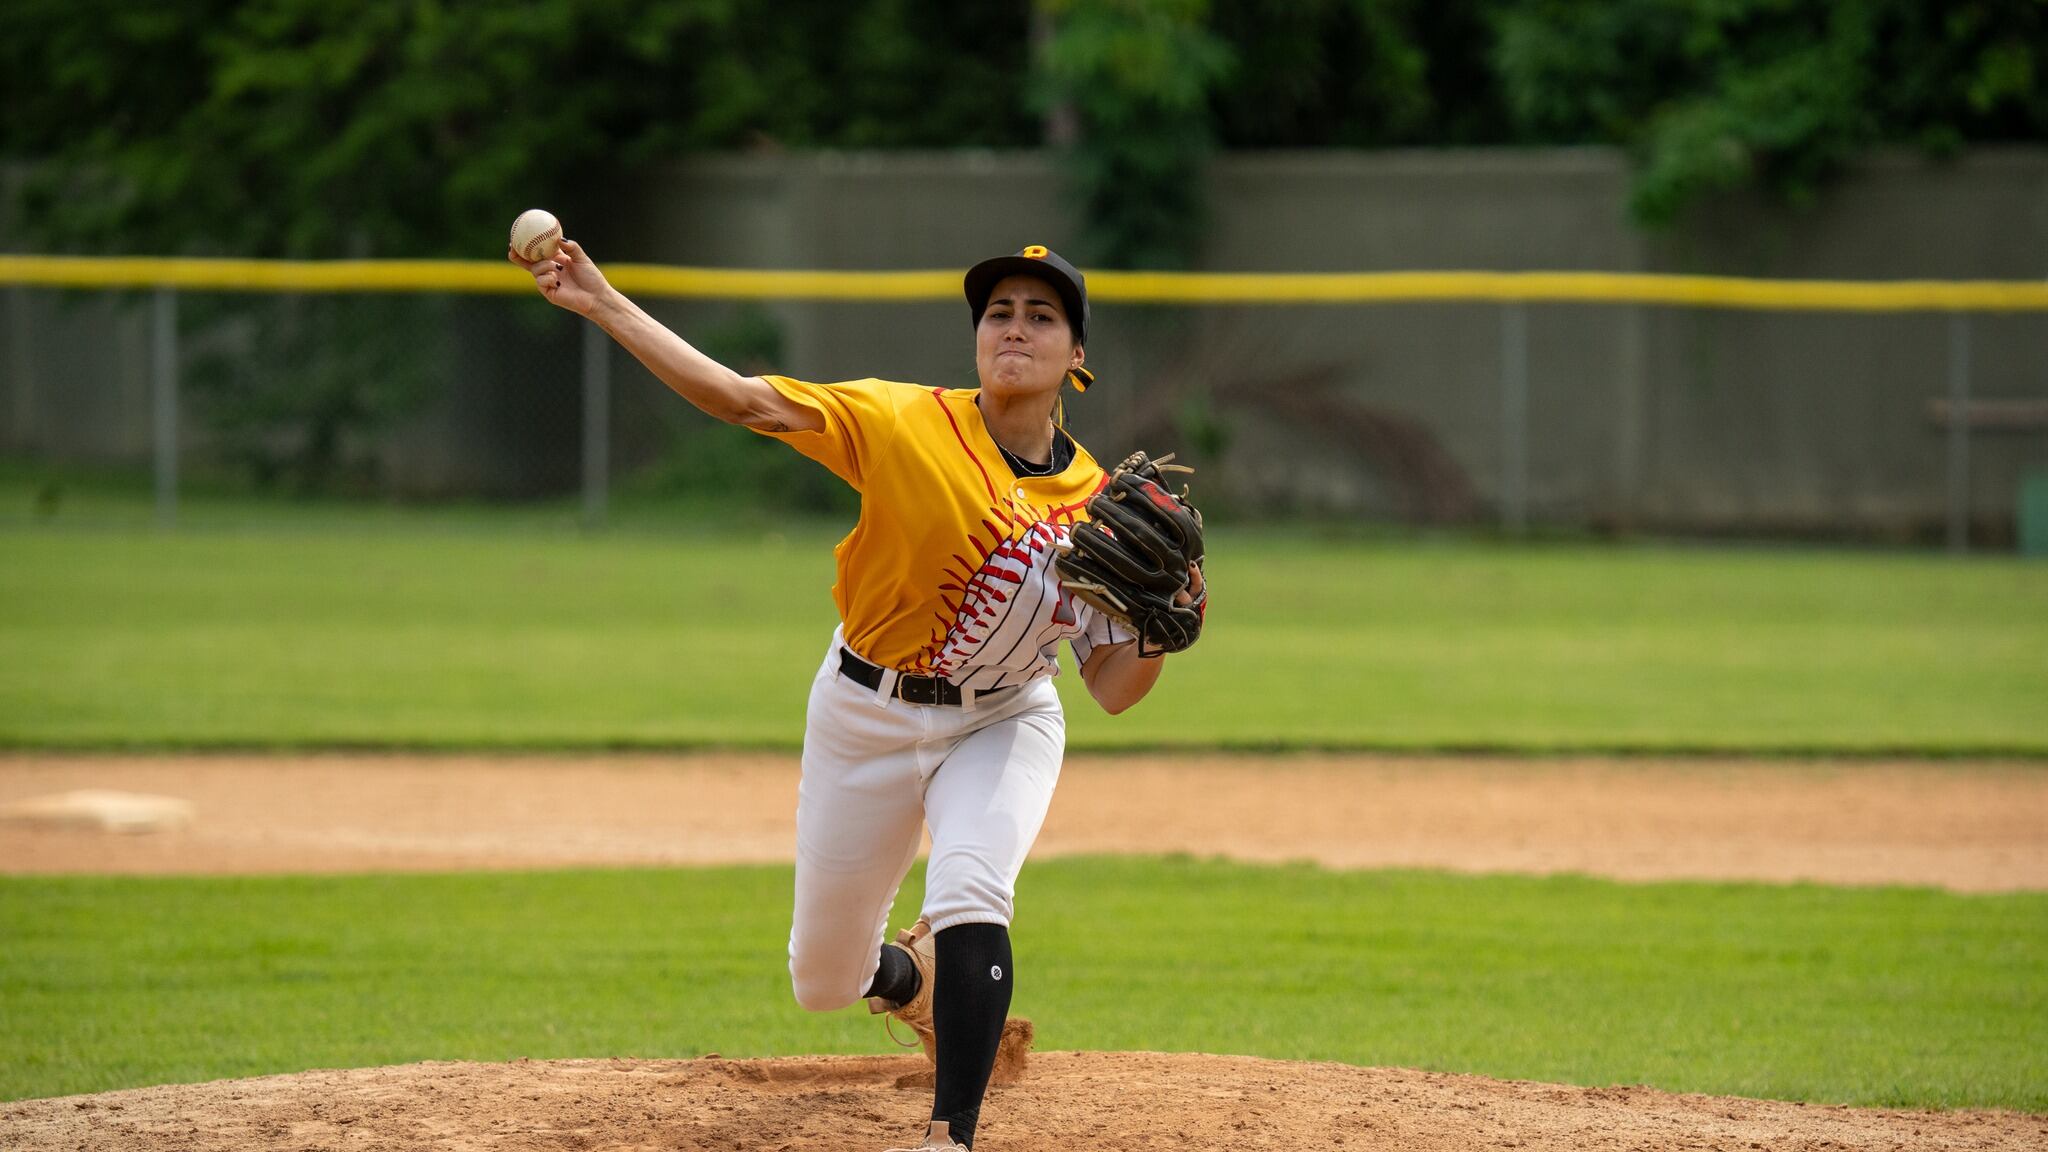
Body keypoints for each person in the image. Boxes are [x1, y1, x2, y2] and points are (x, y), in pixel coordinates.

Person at [513, 238, 1202, 1151]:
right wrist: (602, 302)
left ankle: (947, 1136)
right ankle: (908, 980)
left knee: (971, 888)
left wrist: (1160, 629)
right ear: (976, 338)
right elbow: (742, 398)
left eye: (1043, 316)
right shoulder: (902, 422)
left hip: (1002, 718)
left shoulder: (1098, 506)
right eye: (999, 312)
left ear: (1077, 356)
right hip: (861, 710)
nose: (1016, 328)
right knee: (823, 980)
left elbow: (1114, 690)